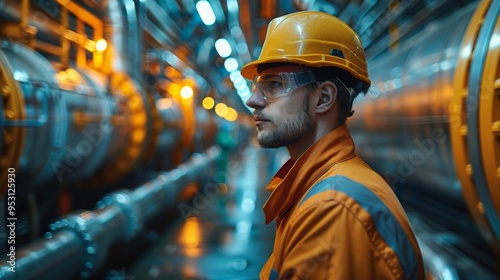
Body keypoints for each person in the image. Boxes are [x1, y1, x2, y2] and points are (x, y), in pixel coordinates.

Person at [240, 11, 425, 280]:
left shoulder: (332, 209)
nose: (253, 101)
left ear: (323, 98)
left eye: (274, 84)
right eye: (258, 86)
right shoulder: (317, 187)